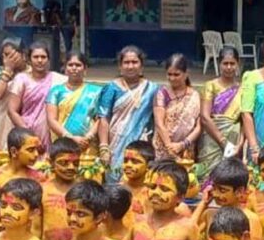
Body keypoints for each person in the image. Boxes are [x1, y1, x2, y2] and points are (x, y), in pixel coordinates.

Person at [97, 46, 159, 182]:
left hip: (141, 145)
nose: (130, 66)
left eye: (134, 62)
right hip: (115, 145)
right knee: (114, 184)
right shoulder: (111, 88)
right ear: (120, 66)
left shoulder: (152, 89)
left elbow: (158, 118)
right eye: (126, 62)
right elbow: (103, 118)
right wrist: (104, 147)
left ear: (141, 66)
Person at [194, 158, 263, 240]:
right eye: (214, 188)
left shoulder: (250, 219)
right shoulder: (210, 215)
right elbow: (186, 231)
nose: (215, 194)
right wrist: (203, 203)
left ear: (240, 191)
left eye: (222, 190)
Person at [8, 41, 67, 151]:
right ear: (29, 59)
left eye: (43, 57)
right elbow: (12, 111)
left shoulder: (58, 80)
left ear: (48, 59)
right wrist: (30, 136)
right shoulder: (21, 80)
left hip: (50, 134)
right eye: (36, 57)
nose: (40, 60)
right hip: (26, 134)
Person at [199, 46, 244, 174]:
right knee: (207, 174)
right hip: (211, 137)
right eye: (225, 63)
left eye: (232, 63)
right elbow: (205, 117)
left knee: (229, 176)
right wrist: (223, 141)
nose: (229, 67)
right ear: (219, 64)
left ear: (238, 64)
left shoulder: (242, 89)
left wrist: (239, 145)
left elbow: (244, 119)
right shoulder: (210, 86)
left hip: (233, 140)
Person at [46, 51, 101, 150]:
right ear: (65, 69)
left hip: (87, 144)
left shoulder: (95, 92)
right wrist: (70, 137)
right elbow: (51, 120)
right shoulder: (56, 91)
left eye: (78, 65)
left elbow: (100, 119)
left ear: (85, 68)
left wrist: (88, 137)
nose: (74, 68)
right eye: (70, 65)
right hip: (63, 143)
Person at [152, 53, 201, 161]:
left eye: (176, 74)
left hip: (186, 151)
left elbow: (199, 126)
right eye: (169, 74)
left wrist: (183, 144)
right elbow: (159, 124)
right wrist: (170, 148)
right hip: (163, 150)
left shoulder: (195, 95)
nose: (172, 78)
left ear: (186, 73)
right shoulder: (162, 93)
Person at [39, 138, 82, 240]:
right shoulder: (43, 190)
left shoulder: (83, 190)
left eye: (75, 163)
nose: (71, 167)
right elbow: (36, 227)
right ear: (51, 162)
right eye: (64, 163)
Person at [0, 37, 28, 156]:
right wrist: (8, 71)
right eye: (5, 55)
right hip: (4, 125)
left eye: (12, 55)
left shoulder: (32, 73)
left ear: (23, 55)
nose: (8, 59)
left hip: (26, 123)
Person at [0, 127, 45, 192]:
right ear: (14, 152)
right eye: (30, 150)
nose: (36, 154)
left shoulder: (38, 177)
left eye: (37, 149)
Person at [120, 139, 154, 215]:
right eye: (125, 161)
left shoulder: (152, 193)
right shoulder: (118, 190)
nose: (128, 165)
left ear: (149, 166)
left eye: (135, 161)